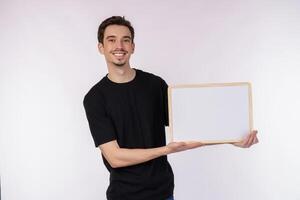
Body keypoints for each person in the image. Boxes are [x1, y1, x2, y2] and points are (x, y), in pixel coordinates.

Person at [83, 16, 259, 200]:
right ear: (101, 47)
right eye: (111, 40)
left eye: (125, 40)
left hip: (163, 192)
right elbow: (115, 157)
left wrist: (231, 139)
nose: (119, 46)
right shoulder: (95, 98)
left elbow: (191, 127)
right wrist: (166, 150)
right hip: (124, 195)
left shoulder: (154, 85)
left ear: (133, 47)